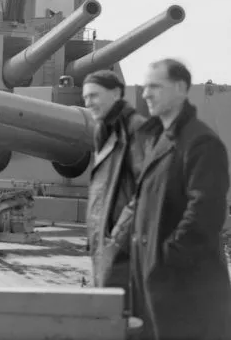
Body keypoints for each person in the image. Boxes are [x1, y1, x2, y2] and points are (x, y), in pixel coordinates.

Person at [131, 59, 231, 340]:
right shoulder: (157, 140)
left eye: (155, 86)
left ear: (180, 89)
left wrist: (165, 262)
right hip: (160, 292)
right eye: (145, 87)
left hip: (186, 292)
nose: (146, 94)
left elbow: (205, 213)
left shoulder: (200, 142)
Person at [82, 70, 146, 302]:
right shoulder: (104, 130)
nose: (88, 103)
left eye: (94, 96)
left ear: (117, 93)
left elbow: (148, 191)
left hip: (125, 247)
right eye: (85, 98)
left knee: (124, 313)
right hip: (106, 244)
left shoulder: (136, 130)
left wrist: (116, 237)